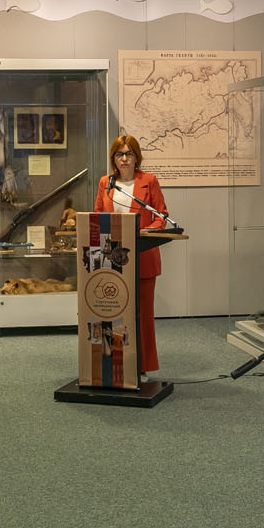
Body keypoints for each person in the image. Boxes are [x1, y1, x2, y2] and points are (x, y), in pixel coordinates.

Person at [94, 135, 168, 382]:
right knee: (112, 311)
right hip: (111, 256)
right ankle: (113, 362)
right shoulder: (106, 182)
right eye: (119, 154)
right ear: (113, 158)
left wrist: (147, 230)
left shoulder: (149, 181)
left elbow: (161, 216)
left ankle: (142, 366)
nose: (124, 159)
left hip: (143, 256)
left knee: (142, 316)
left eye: (129, 154)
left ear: (137, 157)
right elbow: (97, 217)